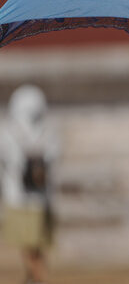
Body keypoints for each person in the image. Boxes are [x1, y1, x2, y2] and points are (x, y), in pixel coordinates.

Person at [0, 84, 59, 284]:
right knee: (33, 248)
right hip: (36, 199)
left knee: (31, 249)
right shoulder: (48, 133)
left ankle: (39, 278)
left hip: (20, 200)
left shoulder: (8, 133)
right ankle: (33, 278)